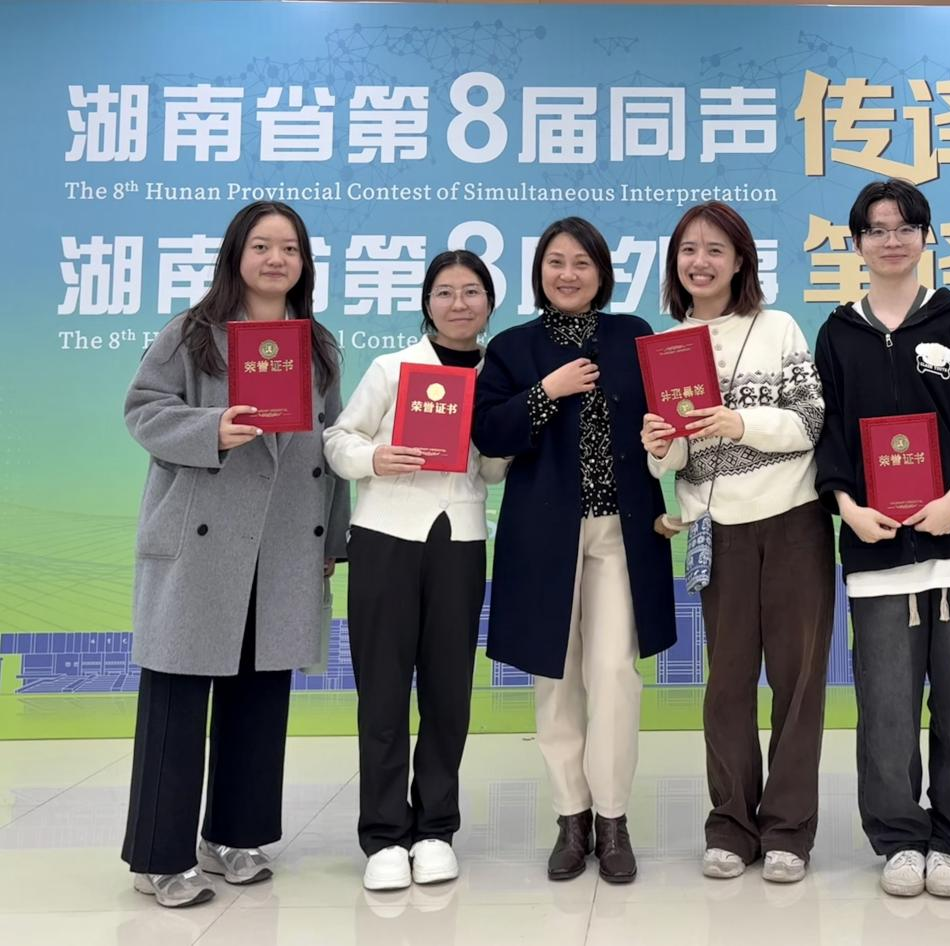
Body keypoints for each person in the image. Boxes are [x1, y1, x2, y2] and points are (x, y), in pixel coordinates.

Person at [121, 201, 348, 908]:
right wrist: (211, 427)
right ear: (236, 256)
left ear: (304, 263)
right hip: (203, 540)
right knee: (177, 698)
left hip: (285, 541)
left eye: (290, 248)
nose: (276, 259)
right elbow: (142, 409)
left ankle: (233, 836)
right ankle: (158, 858)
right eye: (262, 246)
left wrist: (333, 539)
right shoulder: (193, 332)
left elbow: (334, 443)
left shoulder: (317, 345)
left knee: (260, 695)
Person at [813, 179, 950, 898]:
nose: (891, 239)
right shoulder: (838, 332)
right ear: (857, 243)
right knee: (886, 709)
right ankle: (899, 837)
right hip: (878, 547)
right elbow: (828, 431)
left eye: (905, 226)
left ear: (926, 237)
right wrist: (848, 507)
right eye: (876, 228)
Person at [473, 217, 675, 884]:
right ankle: (571, 817)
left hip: (621, 529)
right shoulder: (512, 347)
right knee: (555, 677)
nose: (568, 274)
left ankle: (613, 820)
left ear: (601, 274)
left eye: (582, 263)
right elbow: (489, 432)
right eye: (556, 262)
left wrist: (663, 440)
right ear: (539, 273)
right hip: (543, 534)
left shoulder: (633, 336)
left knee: (614, 672)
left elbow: (665, 416)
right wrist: (545, 393)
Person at [640, 202, 833, 884]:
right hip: (714, 530)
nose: (701, 262)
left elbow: (812, 421)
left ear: (741, 260)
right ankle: (729, 825)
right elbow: (672, 461)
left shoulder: (778, 328)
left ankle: (788, 830)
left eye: (715, 249)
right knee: (725, 684)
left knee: (797, 682)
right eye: (688, 251)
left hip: (792, 521)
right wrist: (658, 447)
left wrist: (739, 422)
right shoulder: (666, 346)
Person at [323, 250, 509, 891]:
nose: (459, 304)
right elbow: (338, 439)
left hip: (460, 538)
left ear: (489, 303)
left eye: (472, 292)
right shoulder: (392, 367)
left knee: (448, 691)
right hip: (385, 537)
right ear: (427, 303)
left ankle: (435, 829)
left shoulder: (497, 375)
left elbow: (491, 470)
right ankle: (382, 834)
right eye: (445, 292)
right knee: (382, 688)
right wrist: (377, 458)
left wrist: (507, 436)